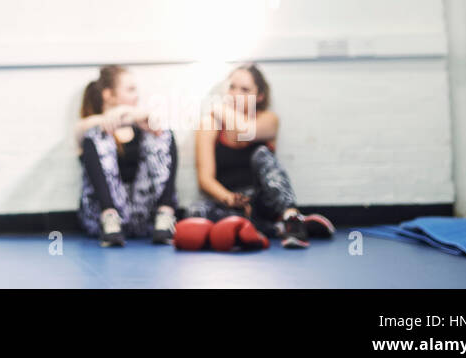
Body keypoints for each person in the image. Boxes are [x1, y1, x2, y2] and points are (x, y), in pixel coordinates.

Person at [188, 64, 333, 248]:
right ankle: (275, 229)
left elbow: (245, 130)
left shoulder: (269, 120)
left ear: (260, 97)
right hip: (231, 202)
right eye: (232, 87)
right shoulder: (209, 125)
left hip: (262, 201)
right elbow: (205, 179)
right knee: (195, 211)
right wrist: (231, 199)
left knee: (261, 154)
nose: (235, 94)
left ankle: (292, 219)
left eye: (244, 90)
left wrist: (220, 109)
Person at [75, 65, 178, 246]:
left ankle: (165, 215)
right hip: (100, 220)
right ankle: (109, 217)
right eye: (130, 90)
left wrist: (124, 113)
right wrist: (114, 116)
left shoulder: (141, 125)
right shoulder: (90, 127)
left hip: (142, 217)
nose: (136, 95)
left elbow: (156, 122)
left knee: (162, 134)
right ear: (109, 95)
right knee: (97, 134)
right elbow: (80, 129)